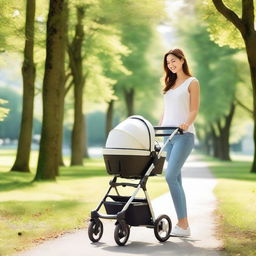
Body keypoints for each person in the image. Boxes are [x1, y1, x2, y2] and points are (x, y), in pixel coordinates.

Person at [159, 48, 200, 237]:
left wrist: (187, 123)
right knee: (176, 179)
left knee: (170, 176)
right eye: (168, 63)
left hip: (184, 135)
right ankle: (183, 225)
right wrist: (157, 130)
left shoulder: (192, 82)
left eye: (173, 61)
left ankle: (183, 225)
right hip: (167, 135)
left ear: (182, 60)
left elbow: (193, 110)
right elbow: (165, 111)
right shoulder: (169, 84)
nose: (171, 65)